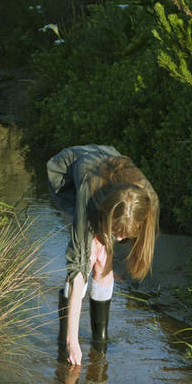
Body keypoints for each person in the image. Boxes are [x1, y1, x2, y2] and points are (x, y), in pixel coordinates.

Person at [47, 145, 159, 366]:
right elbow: (77, 268)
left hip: (108, 173)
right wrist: (73, 340)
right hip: (66, 177)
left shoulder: (150, 201)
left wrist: (110, 239)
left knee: (104, 259)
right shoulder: (88, 193)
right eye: (116, 233)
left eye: (123, 235)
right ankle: (64, 342)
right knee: (86, 259)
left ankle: (100, 340)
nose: (118, 239)